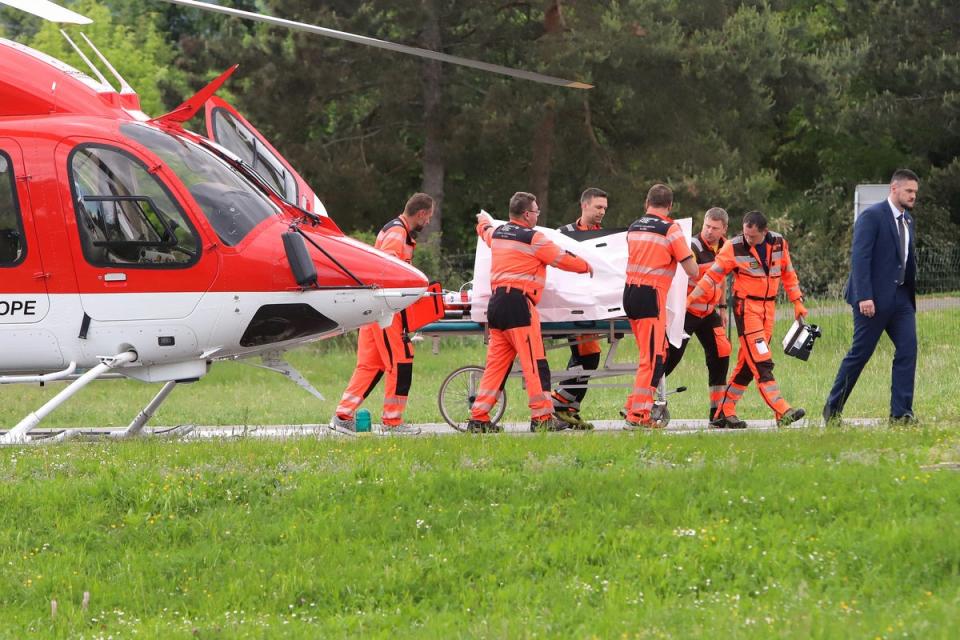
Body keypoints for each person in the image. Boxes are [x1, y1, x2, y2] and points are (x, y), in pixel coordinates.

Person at [467, 192, 594, 433]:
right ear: (526, 214)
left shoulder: (498, 234)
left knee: (496, 366)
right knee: (535, 363)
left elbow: (483, 230)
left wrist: (482, 219)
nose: (538, 215)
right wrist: (585, 266)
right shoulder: (533, 238)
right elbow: (560, 258)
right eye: (536, 212)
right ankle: (542, 418)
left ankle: (479, 418)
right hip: (518, 306)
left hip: (496, 307)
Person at [688, 210, 808, 428]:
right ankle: (782, 409)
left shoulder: (779, 243)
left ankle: (723, 410)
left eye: (752, 236)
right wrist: (690, 299)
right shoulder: (733, 247)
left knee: (747, 364)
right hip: (747, 309)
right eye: (745, 234)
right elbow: (712, 276)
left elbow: (788, 273)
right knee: (762, 360)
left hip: (769, 308)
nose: (747, 239)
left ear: (764, 232)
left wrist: (797, 301)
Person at [329, 193, 435, 435]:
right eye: (428, 217)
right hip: (386, 313)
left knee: (370, 365)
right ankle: (392, 422)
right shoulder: (398, 233)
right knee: (400, 361)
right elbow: (388, 271)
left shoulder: (396, 230)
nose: (428, 222)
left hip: (374, 311)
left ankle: (342, 416)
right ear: (420, 214)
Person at [823, 169, 919, 424]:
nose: (913, 196)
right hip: (872, 300)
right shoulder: (872, 216)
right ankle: (832, 410)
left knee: (908, 349)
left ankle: (901, 414)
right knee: (860, 354)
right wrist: (865, 295)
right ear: (894, 188)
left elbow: (906, 260)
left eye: (915, 192)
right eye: (909, 191)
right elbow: (860, 258)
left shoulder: (908, 220)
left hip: (901, 300)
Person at [623, 184, 699, 429]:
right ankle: (638, 416)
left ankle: (634, 404)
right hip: (651, 297)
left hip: (630, 294)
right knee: (653, 358)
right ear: (670, 206)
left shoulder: (634, 227)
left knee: (656, 351)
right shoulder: (670, 228)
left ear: (647, 202)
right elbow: (691, 270)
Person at [662, 207, 733, 421]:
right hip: (686, 311)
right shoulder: (692, 246)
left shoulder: (725, 248)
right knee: (670, 357)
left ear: (724, 229)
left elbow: (720, 279)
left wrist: (722, 308)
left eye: (715, 228)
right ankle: (639, 404)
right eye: (706, 226)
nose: (709, 231)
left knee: (722, 353)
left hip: (709, 312)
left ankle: (718, 412)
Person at [551, 187, 608, 429]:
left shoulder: (605, 236)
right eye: (598, 207)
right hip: (570, 305)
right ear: (584, 205)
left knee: (585, 356)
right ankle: (560, 402)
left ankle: (568, 408)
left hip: (593, 306)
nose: (602, 212)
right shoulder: (563, 234)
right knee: (588, 355)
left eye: (604, 208)